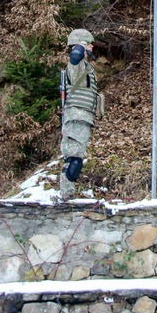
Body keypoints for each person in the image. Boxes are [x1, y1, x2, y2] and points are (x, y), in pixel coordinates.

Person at [59, 28, 99, 200]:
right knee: (74, 160)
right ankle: (66, 195)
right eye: (89, 44)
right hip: (76, 116)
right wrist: (81, 45)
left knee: (76, 158)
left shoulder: (86, 68)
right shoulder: (76, 66)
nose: (92, 47)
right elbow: (75, 56)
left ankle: (67, 193)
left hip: (83, 117)